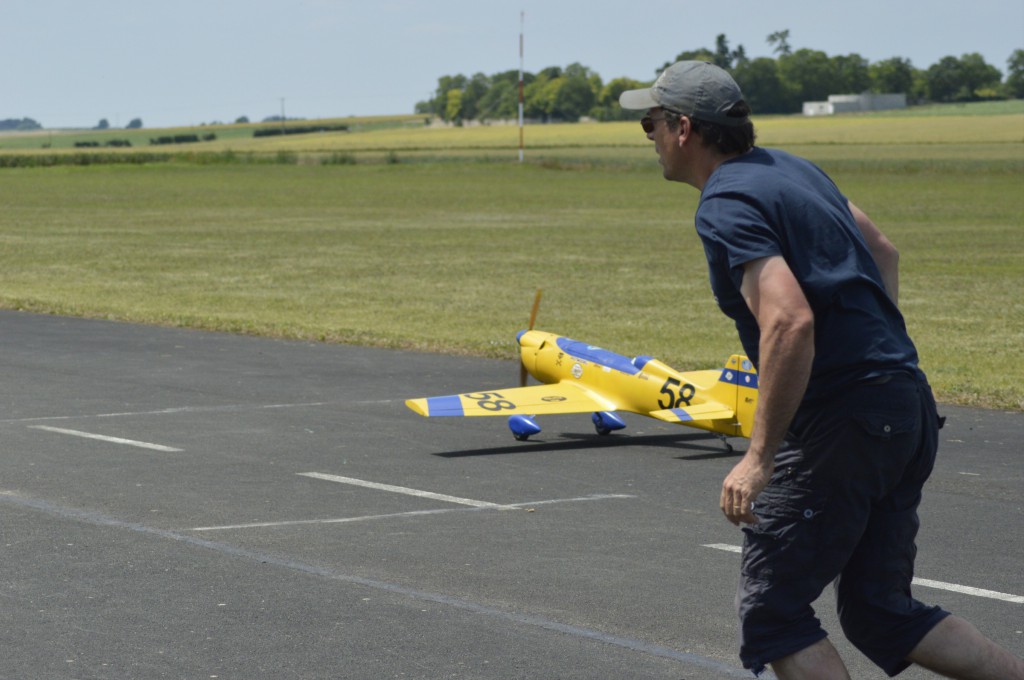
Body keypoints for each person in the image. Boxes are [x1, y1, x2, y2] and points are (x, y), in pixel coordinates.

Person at [619, 60, 1024, 680]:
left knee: (773, 611)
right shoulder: (792, 168)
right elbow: (882, 249)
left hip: (848, 423)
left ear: (682, 128)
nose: (646, 137)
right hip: (904, 401)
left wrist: (759, 457)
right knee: (879, 610)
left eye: (648, 124)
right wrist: (878, 354)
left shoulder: (724, 201)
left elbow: (789, 321)